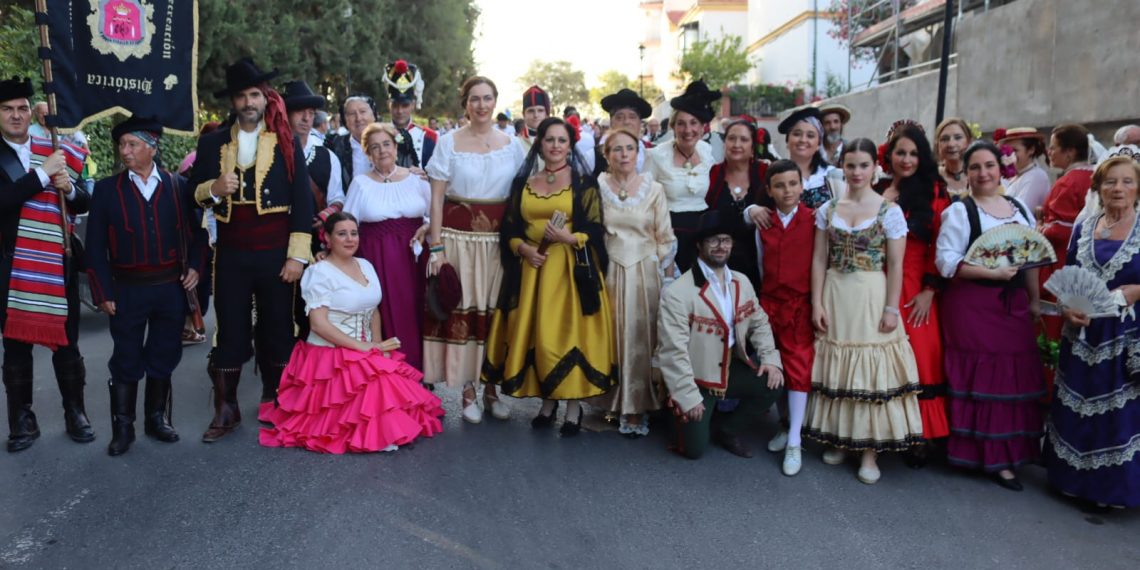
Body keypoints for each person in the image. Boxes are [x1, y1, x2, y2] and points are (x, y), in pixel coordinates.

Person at [189, 58, 314, 442]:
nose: (248, 102)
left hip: (276, 252)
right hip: (231, 254)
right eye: (242, 96)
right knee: (230, 330)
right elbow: (193, 191)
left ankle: (276, 400)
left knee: (278, 327)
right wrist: (213, 188)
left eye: (255, 95)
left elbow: (302, 203)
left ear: (265, 98)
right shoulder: (212, 142)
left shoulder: (285, 139)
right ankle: (226, 411)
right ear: (233, 101)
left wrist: (297, 256)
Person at [260, 212, 444, 453]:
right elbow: (318, 324)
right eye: (341, 234)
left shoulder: (365, 265)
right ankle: (376, 434)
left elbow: (373, 310)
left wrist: (378, 347)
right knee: (376, 391)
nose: (350, 239)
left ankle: (386, 428)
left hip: (364, 348)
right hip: (329, 354)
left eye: (354, 233)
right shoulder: (319, 273)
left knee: (395, 389)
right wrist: (362, 347)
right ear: (327, 238)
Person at [481, 117, 616, 435]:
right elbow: (510, 228)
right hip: (534, 270)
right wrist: (524, 249)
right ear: (539, 144)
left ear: (570, 146)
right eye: (549, 140)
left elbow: (595, 229)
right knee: (538, 335)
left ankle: (572, 408)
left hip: (569, 271)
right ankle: (547, 402)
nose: (555, 146)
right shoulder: (523, 183)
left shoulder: (584, 183)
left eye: (562, 140)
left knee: (567, 335)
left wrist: (570, 239)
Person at [84, 116, 207, 456]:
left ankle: (156, 418)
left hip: (170, 287)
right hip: (127, 290)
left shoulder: (177, 186)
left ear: (152, 147)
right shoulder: (108, 190)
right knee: (125, 356)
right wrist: (103, 292)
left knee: (164, 353)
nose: (125, 151)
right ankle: (123, 428)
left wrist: (196, 267)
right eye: (122, 145)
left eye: (132, 144)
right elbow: (95, 247)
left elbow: (199, 234)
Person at [805, 138, 924, 484]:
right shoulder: (827, 209)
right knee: (839, 371)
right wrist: (816, 302)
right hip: (836, 292)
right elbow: (817, 259)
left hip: (871, 293)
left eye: (863, 165)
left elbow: (897, 266)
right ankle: (841, 439)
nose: (856, 172)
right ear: (842, 166)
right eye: (850, 165)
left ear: (875, 168)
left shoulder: (890, 210)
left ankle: (869, 452)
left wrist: (891, 308)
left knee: (870, 373)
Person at [935, 141, 1045, 491]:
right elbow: (947, 262)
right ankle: (991, 459)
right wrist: (991, 273)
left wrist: (1035, 301)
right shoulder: (960, 212)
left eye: (989, 166)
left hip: (1012, 305)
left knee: (1014, 375)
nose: (983, 173)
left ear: (1001, 169)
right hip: (972, 306)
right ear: (966, 173)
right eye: (975, 167)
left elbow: (1031, 258)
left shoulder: (1019, 208)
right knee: (983, 378)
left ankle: (1014, 450)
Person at [0, 77, 94, 452]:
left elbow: (83, 201)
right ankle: (22, 420)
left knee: (67, 342)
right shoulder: (41, 157)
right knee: (16, 347)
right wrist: (41, 175)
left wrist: (67, 187)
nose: (16, 115)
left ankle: (76, 411)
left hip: (57, 261)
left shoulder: (52, 146)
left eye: (22, 108)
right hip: (10, 265)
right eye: (8, 109)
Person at [425, 76, 525, 422]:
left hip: (498, 242)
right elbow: (436, 199)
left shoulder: (512, 145)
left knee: (495, 312)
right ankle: (468, 390)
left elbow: (520, 198)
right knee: (463, 310)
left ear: (495, 101)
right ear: (465, 104)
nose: (481, 105)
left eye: (487, 98)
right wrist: (436, 248)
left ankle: (491, 388)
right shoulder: (448, 142)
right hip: (459, 239)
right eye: (474, 99)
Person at [1044, 153, 1140, 510]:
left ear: (1138, 188)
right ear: (1098, 187)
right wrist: (1068, 308)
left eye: (1127, 181)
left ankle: (1111, 491)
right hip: (1082, 331)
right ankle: (1070, 480)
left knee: (1118, 410)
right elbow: (1068, 275)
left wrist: (1137, 290)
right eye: (1111, 181)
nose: (1119, 188)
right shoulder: (1084, 227)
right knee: (1077, 400)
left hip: (1126, 332)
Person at [658, 210, 784, 459]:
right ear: (699, 245)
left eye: (725, 240)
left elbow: (759, 323)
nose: (720, 246)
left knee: (773, 384)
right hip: (696, 376)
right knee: (694, 450)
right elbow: (673, 351)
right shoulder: (678, 293)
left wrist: (770, 359)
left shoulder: (742, 282)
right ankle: (675, 411)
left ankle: (727, 430)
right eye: (713, 240)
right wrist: (688, 396)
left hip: (729, 368)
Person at [590, 128, 675, 437]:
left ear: (638, 153)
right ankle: (612, 400)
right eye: (617, 149)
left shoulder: (653, 189)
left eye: (630, 148)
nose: (624, 154)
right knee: (610, 336)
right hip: (610, 270)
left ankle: (638, 405)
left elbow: (665, 237)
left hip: (644, 273)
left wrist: (665, 276)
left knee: (642, 338)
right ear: (606, 155)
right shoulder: (597, 186)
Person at [877, 123, 953, 465]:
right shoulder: (878, 188)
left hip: (916, 284)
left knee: (922, 355)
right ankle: (886, 429)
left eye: (912, 153)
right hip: (878, 279)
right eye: (900, 152)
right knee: (882, 354)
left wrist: (929, 290)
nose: (906, 159)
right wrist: (881, 201)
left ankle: (921, 435)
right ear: (889, 155)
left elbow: (944, 242)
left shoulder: (936, 191)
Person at [342, 122, 430, 372]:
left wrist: (426, 228)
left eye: (386, 144)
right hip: (376, 260)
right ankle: (393, 374)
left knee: (415, 313)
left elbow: (433, 216)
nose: (382, 151)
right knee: (385, 314)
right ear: (368, 153)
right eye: (374, 147)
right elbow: (348, 222)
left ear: (395, 146)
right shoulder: (360, 183)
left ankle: (419, 373)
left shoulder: (416, 178)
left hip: (414, 257)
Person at [755, 160, 816, 475]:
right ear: (769, 190)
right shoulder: (763, 223)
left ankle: (795, 440)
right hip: (770, 304)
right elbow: (760, 263)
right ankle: (784, 423)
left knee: (798, 367)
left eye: (793, 184)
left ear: (802, 185)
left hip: (800, 304)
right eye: (779, 185)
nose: (787, 191)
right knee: (774, 365)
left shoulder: (815, 220)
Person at [646, 80, 720, 273]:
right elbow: (646, 200)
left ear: (703, 127)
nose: (688, 130)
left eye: (694, 123)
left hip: (702, 238)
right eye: (681, 124)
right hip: (668, 235)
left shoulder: (707, 152)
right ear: (672, 126)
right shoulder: (657, 155)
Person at [707, 119, 768, 290]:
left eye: (743, 139)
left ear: (753, 146)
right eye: (731, 138)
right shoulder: (712, 174)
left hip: (757, 264)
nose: (736, 144)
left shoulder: (765, 173)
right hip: (719, 264)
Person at [776, 106, 838, 209]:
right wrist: (752, 210)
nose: (803, 140)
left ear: (818, 144)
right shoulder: (775, 174)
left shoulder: (832, 174)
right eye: (797, 134)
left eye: (810, 136)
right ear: (787, 141)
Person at [384, 59, 437, 169]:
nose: (400, 111)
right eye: (395, 105)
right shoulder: (379, 133)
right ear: (388, 104)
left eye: (405, 106)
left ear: (413, 105)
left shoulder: (430, 137)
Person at [593, 88, 653, 176]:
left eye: (632, 117)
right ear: (611, 122)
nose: (626, 122)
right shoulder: (593, 156)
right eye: (619, 117)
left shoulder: (652, 154)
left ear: (640, 123)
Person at [326, 94, 378, 193]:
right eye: (351, 114)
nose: (358, 118)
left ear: (373, 115)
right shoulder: (335, 147)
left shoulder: (392, 141)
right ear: (345, 120)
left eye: (362, 111)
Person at [996, 127, 1051, 212]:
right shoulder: (1011, 177)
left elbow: (1021, 211)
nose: (1011, 155)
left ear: (1031, 150)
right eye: (1008, 150)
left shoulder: (1036, 176)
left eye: (1015, 150)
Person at [934, 117, 974, 197]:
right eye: (944, 139)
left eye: (958, 137)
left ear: (969, 142)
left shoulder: (980, 175)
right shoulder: (931, 178)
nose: (951, 144)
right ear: (937, 145)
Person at [517, 85, 549, 152]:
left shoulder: (557, 141)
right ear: (523, 114)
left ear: (546, 114)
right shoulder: (515, 144)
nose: (536, 115)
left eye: (540, 110)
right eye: (531, 111)